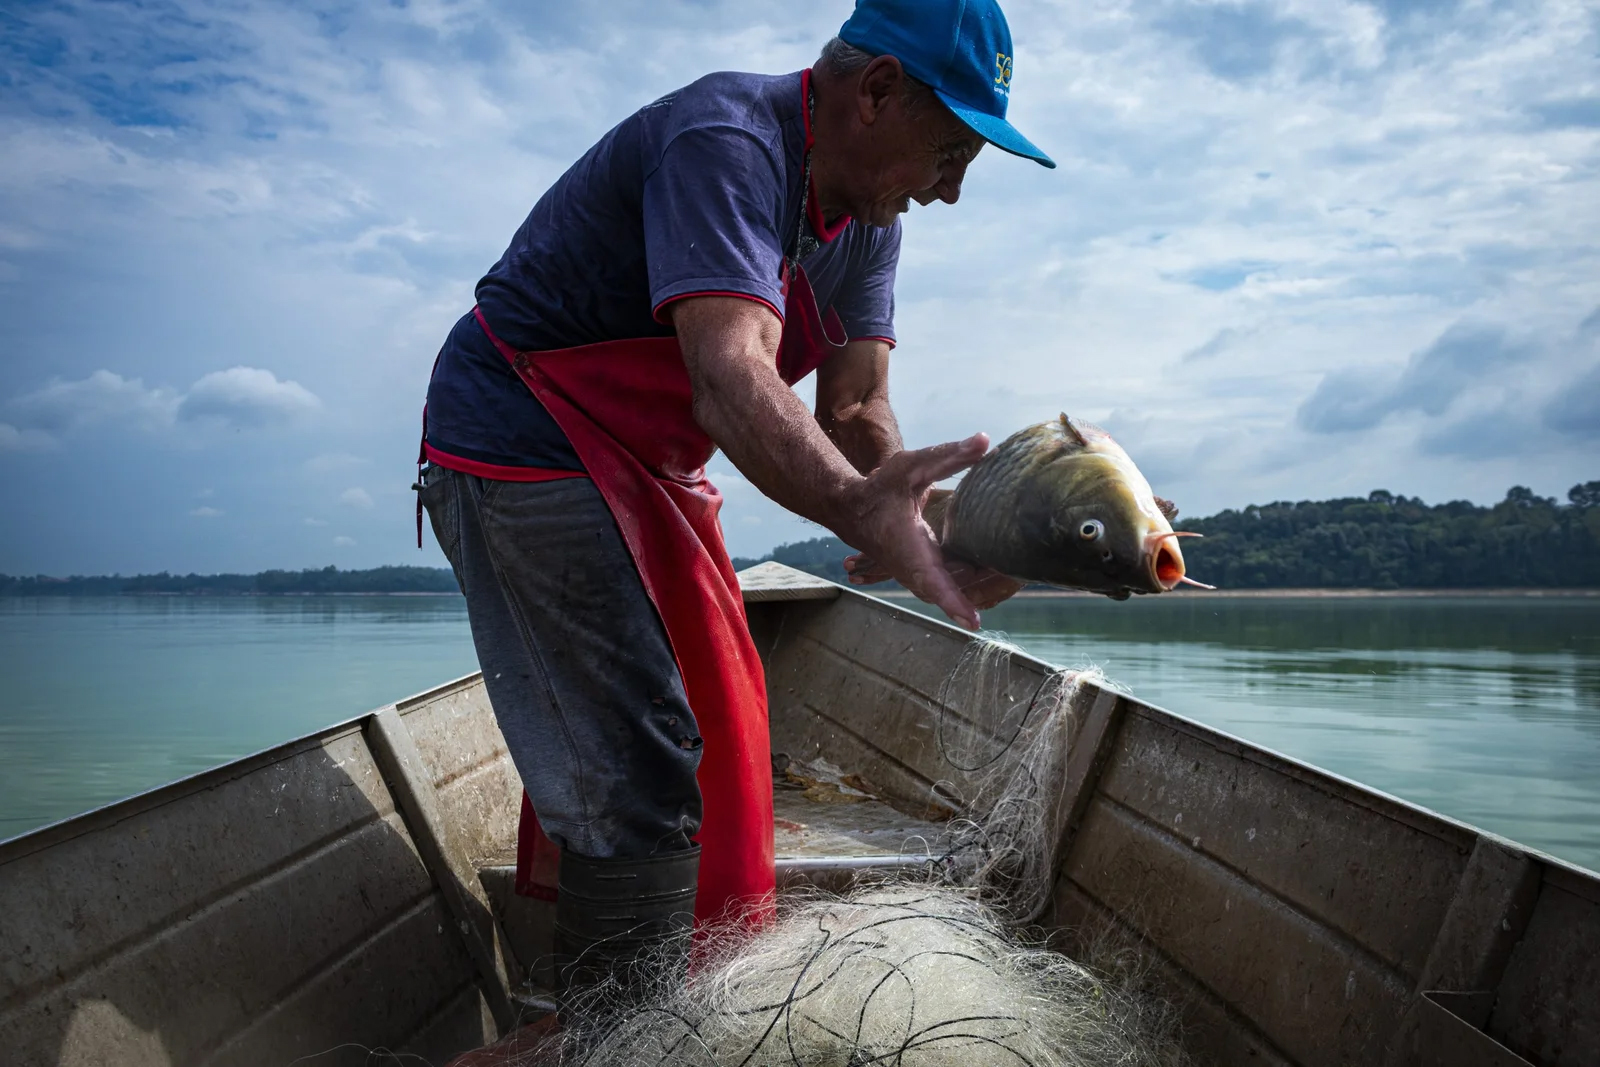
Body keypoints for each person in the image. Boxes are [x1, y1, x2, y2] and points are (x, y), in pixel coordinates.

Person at [416, 0, 1054, 1024]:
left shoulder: (869, 226)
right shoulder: (729, 141)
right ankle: (608, 1039)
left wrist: (951, 531)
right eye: (949, 151)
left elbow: (852, 411)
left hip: (648, 466)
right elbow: (729, 375)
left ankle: (619, 1014)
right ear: (877, 91)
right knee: (641, 762)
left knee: (712, 736)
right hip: (521, 440)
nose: (951, 192)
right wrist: (855, 506)